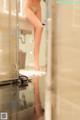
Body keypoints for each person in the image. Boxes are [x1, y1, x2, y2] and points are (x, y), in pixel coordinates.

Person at [24, 0, 44, 70]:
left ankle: (36, 62)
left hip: (38, 7)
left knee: (40, 29)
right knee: (39, 26)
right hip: (29, 6)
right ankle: (36, 62)